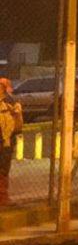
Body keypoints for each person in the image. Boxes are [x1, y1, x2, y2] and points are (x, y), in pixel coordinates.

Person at [0, 78, 23, 207]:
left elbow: (18, 123)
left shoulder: (11, 103)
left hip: (5, 141)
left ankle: (3, 197)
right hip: (5, 140)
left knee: (3, 168)